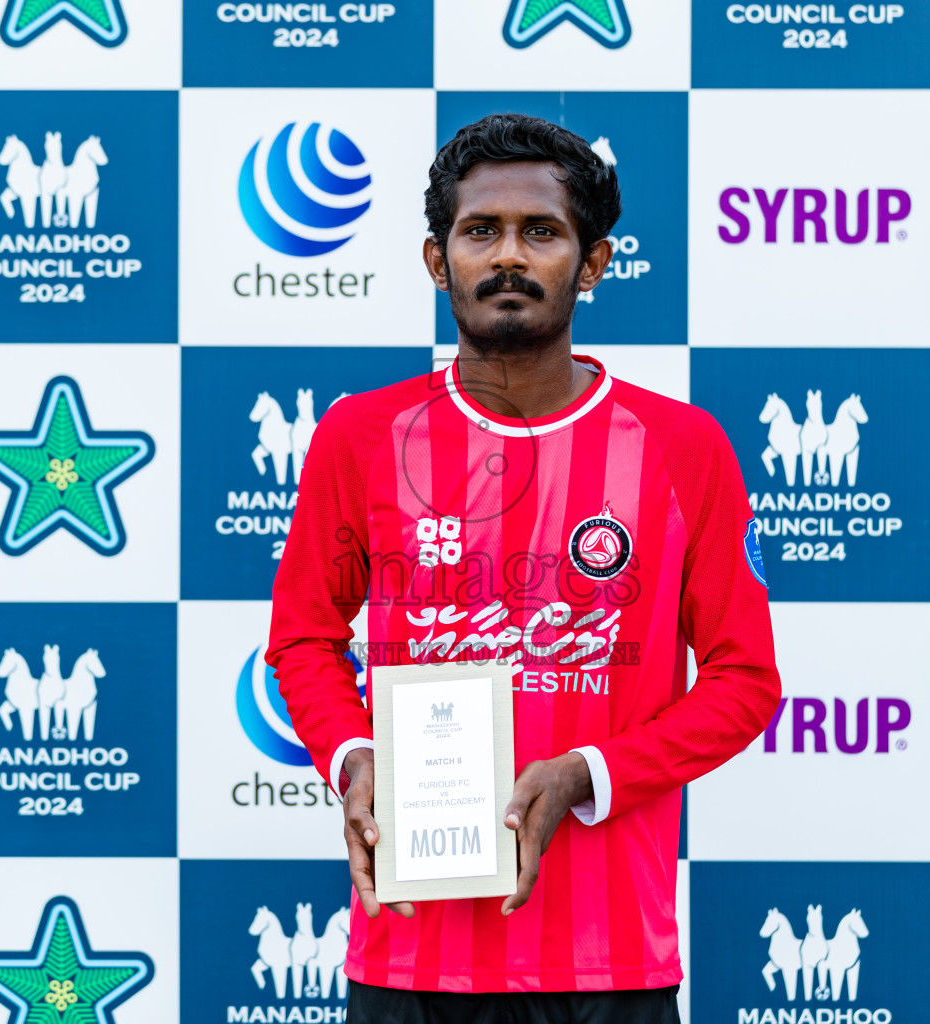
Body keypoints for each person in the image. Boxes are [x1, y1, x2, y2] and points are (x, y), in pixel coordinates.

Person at [267, 113, 781, 1023]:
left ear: (592, 264)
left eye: (540, 232)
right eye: (480, 231)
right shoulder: (359, 435)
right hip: (407, 954)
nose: (509, 256)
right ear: (439, 261)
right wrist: (354, 760)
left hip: (609, 964)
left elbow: (744, 682)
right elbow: (303, 639)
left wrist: (588, 771)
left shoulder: (681, 447)